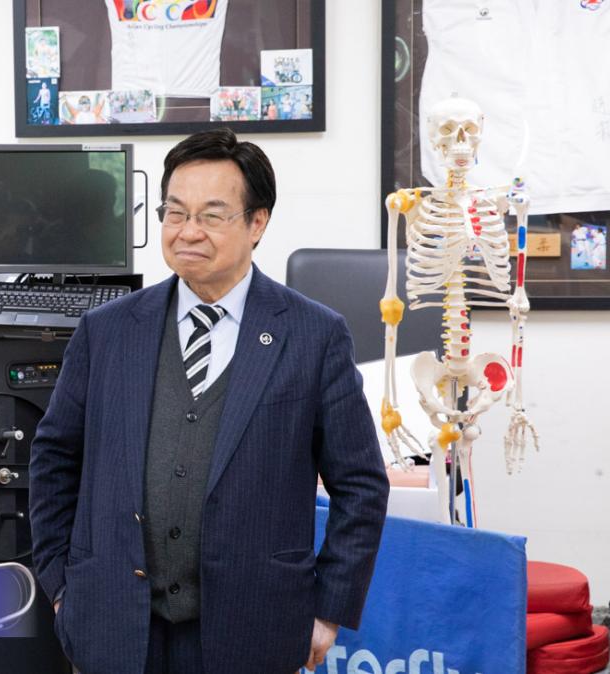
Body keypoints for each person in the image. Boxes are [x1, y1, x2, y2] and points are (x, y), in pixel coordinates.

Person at [29, 128, 389, 674]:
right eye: (175, 213)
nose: (188, 231)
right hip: (113, 624)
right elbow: (54, 458)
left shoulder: (313, 336)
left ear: (257, 223)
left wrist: (328, 609)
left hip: (255, 627)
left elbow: (361, 485)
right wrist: (60, 586)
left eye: (211, 215)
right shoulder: (106, 331)